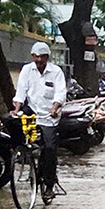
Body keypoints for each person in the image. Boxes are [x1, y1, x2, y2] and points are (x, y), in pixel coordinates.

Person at [13, 41, 66, 200]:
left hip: (49, 115)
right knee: (12, 122)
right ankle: (19, 153)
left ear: (47, 58)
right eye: (35, 58)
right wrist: (16, 109)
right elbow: (21, 91)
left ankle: (49, 185)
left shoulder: (56, 72)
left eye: (41, 58)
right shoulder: (26, 70)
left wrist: (55, 108)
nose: (38, 61)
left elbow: (60, 93)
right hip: (32, 111)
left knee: (49, 148)